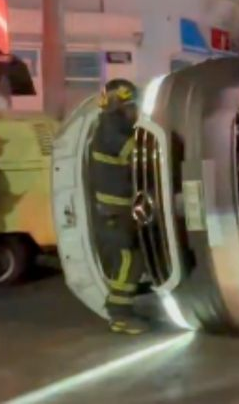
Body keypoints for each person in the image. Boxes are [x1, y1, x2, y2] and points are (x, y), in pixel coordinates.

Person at [90, 78, 149, 335]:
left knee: (130, 260)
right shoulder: (111, 128)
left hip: (118, 208)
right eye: (132, 106)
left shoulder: (110, 126)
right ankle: (120, 315)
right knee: (129, 260)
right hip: (116, 210)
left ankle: (122, 311)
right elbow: (138, 155)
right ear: (121, 103)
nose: (135, 112)